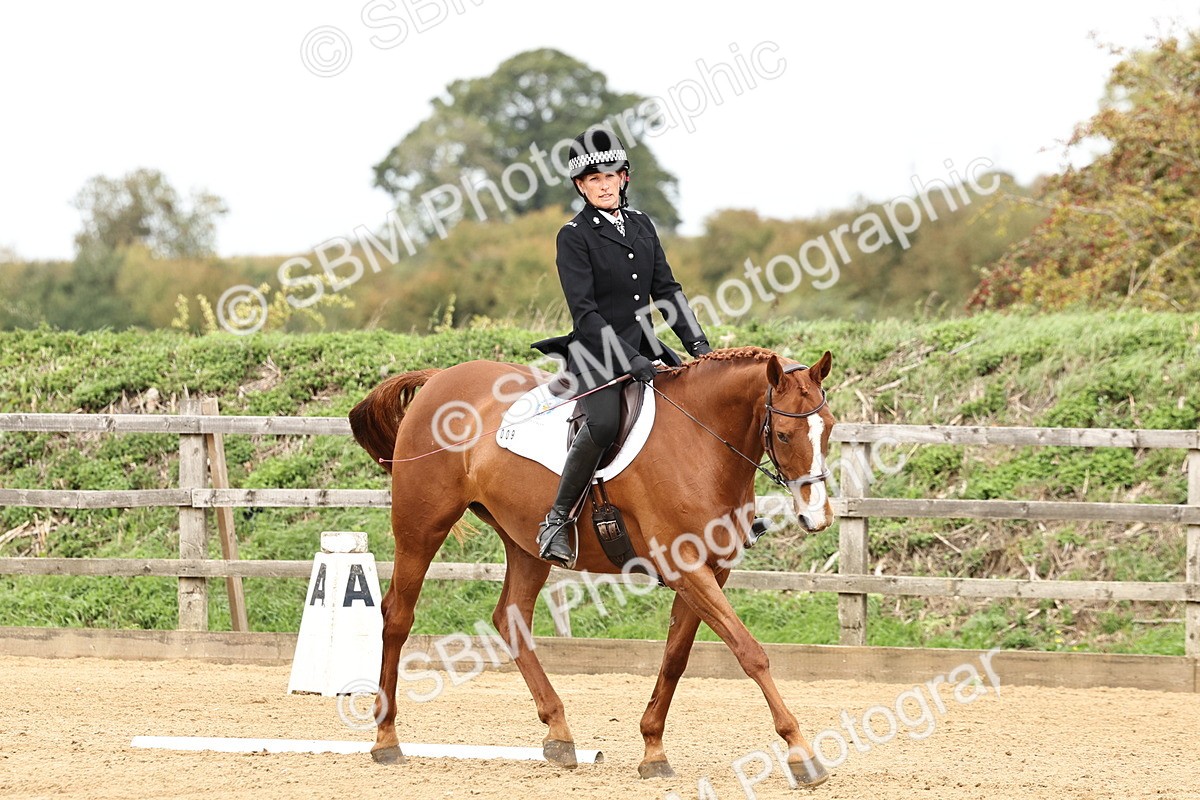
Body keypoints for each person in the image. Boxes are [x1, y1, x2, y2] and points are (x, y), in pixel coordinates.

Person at [531, 127, 713, 567]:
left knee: (702, 407)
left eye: (611, 175)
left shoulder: (642, 225)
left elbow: (666, 291)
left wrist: (699, 348)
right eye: (594, 179)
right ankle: (556, 519)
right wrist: (628, 358)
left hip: (646, 345)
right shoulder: (573, 235)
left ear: (624, 177)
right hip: (597, 351)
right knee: (605, 421)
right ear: (581, 185)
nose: (604, 184)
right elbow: (585, 312)